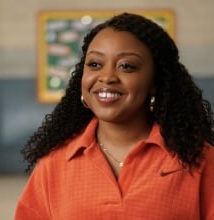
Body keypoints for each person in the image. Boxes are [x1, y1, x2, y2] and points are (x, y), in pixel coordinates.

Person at [15, 12, 214, 219]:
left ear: (155, 82)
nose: (107, 77)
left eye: (126, 66)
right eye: (94, 64)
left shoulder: (199, 158)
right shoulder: (54, 163)